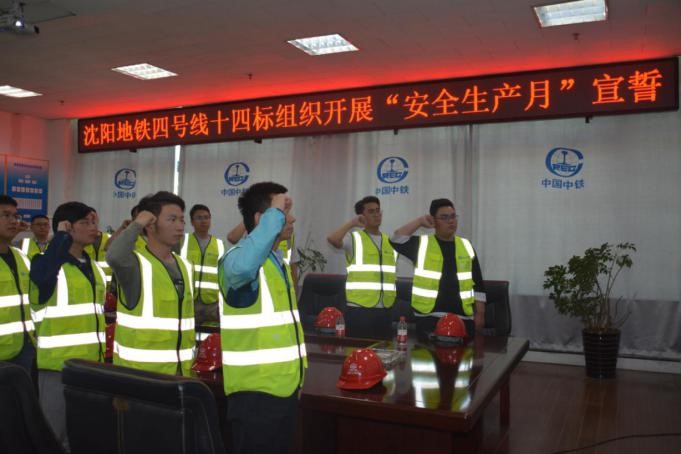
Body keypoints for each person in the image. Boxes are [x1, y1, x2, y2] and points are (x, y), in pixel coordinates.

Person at [219, 182, 307, 454]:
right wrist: (274, 215)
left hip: (283, 387)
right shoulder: (236, 260)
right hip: (255, 392)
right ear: (261, 219)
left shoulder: (275, 262)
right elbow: (243, 268)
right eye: (282, 212)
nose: (291, 219)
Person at [29, 202, 107, 449]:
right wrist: (60, 238)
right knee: (56, 438)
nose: (93, 228)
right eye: (85, 222)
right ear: (67, 227)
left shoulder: (93, 267)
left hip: (91, 367)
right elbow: (43, 278)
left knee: (87, 436)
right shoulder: (44, 264)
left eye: (94, 222)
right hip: (57, 368)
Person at [106, 191, 195, 376]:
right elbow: (114, 256)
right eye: (172, 220)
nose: (180, 226)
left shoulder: (185, 266)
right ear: (151, 225)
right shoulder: (136, 265)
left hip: (180, 374)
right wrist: (138, 223)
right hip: (140, 377)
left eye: (182, 220)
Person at [390, 198, 486, 338]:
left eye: (453, 216)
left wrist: (480, 313)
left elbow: (478, 283)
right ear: (434, 221)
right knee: (425, 352)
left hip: (463, 318)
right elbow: (396, 239)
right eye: (444, 217)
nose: (451, 221)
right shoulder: (422, 244)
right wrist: (420, 221)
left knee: (465, 353)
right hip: (429, 317)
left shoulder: (466, 245)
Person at [327, 196, 397, 339]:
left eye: (378, 210)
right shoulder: (354, 239)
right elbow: (333, 239)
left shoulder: (389, 241)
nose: (376, 214)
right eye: (371, 212)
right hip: (359, 309)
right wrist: (352, 223)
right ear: (362, 216)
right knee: (358, 350)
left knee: (384, 350)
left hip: (386, 308)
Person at [0, 195, 35, 378]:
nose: (14, 221)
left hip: (25, 347)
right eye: (6, 215)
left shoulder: (21, 256)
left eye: (16, 216)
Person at [179, 204, 225, 326]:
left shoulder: (219, 244)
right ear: (192, 222)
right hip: (189, 299)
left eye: (206, 217)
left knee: (211, 334)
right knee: (188, 331)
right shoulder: (183, 241)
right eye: (199, 218)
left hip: (212, 302)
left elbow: (223, 273)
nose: (203, 221)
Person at [228, 221, 301, 288]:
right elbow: (232, 238)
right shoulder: (254, 225)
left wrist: (294, 292)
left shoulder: (288, 230)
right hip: (260, 284)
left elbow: (294, 265)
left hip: (281, 284)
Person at [84, 209, 112, 288]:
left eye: (94, 219)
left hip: (109, 289)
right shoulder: (79, 241)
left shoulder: (110, 238)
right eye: (87, 221)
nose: (92, 223)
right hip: (88, 288)